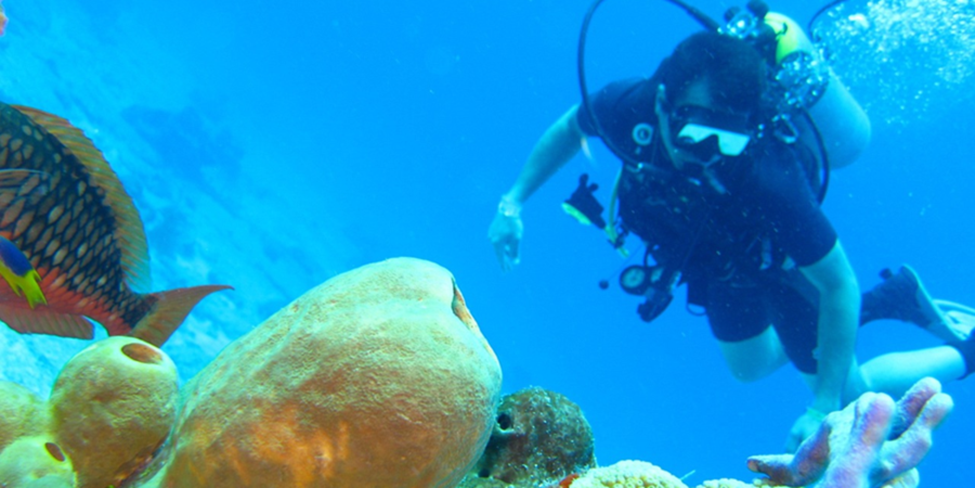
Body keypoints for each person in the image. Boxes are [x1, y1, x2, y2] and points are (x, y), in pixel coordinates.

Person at [488, 20, 975, 452]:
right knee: (750, 367)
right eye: (696, 135)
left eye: (727, 140)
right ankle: (887, 302)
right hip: (713, 262)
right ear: (662, 103)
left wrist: (820, 405)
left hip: (773, 266)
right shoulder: (628, 105)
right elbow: (571, 126)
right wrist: (512, 202)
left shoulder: (769, 175)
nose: (709, 157)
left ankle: (964, 352)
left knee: (852, 404)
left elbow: (837, 283)